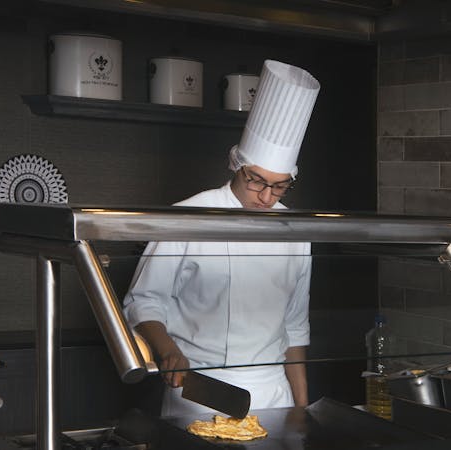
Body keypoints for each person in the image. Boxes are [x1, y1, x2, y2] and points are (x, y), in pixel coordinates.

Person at [123, 60, 320, 417]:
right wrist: (168, 350)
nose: (266, 196)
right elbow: (144, 301)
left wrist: (302, 409)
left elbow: (294, 326)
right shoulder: (187, 216)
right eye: (257, 181)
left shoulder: (296, 230)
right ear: (237, 165)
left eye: (280, 186)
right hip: (200, 391)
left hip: (275, 394)